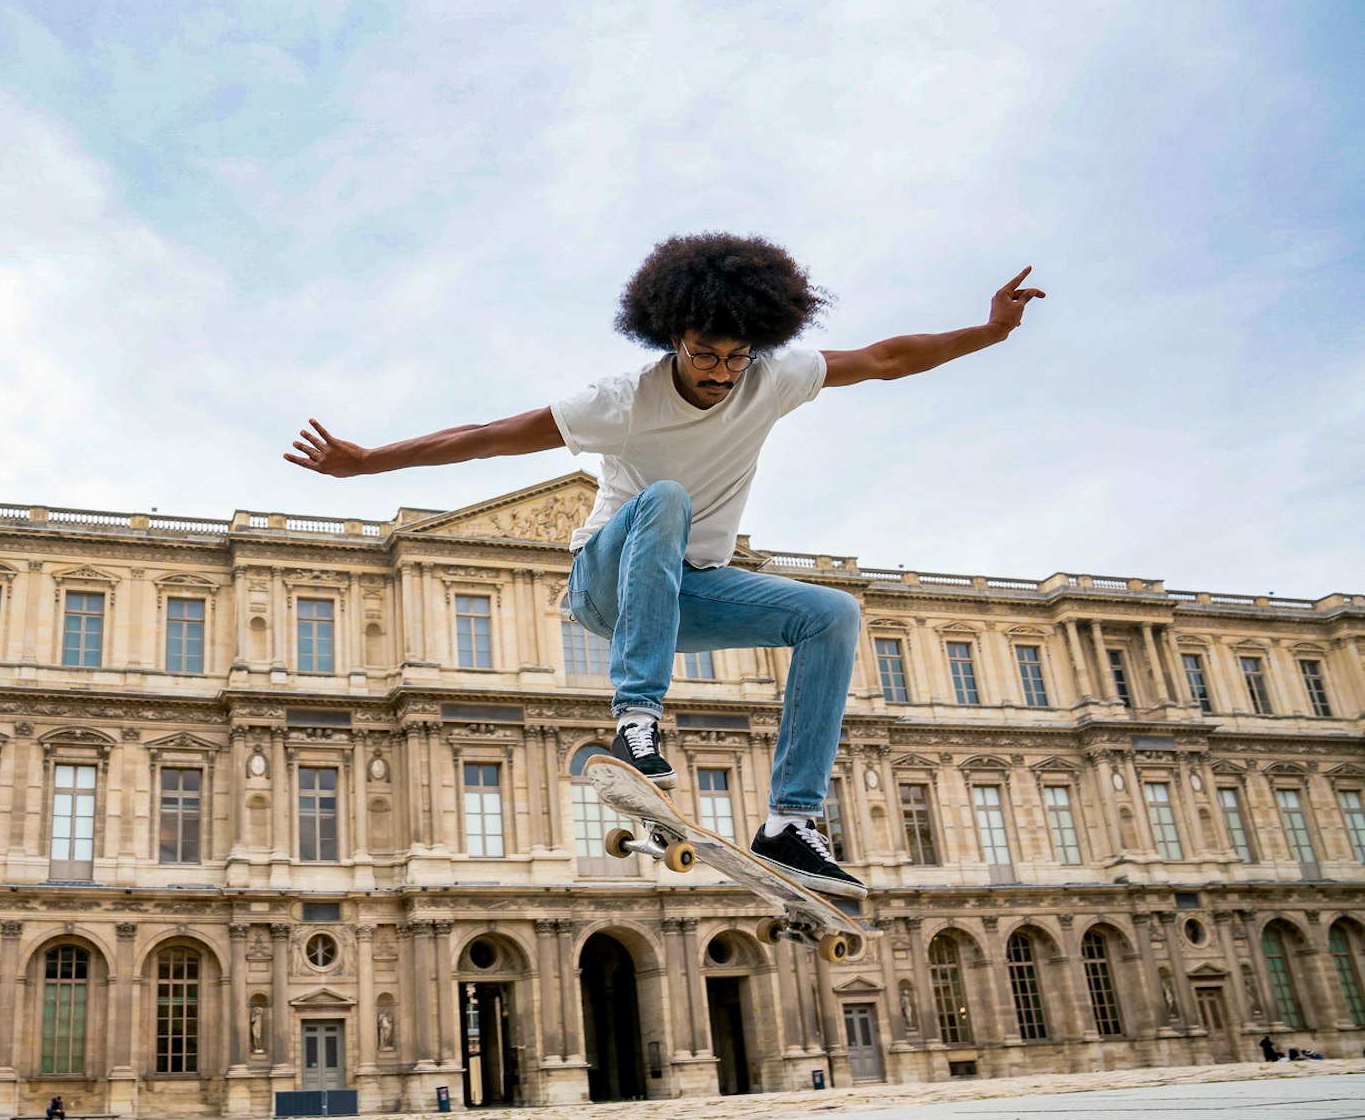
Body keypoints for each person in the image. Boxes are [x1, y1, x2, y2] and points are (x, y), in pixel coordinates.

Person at [286, 233, 1045, 898]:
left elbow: (884, 358)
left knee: (834, 613)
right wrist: (367, 462)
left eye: (735, 359)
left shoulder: (773, 377)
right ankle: (638, 721)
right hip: (605, 583)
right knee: (667, 498)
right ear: (671, 338)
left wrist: (989, 333)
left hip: (691, 595)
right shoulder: (621, 400)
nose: (720, 374)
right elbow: (489, 434)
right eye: (704, 356)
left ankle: (791, 819)